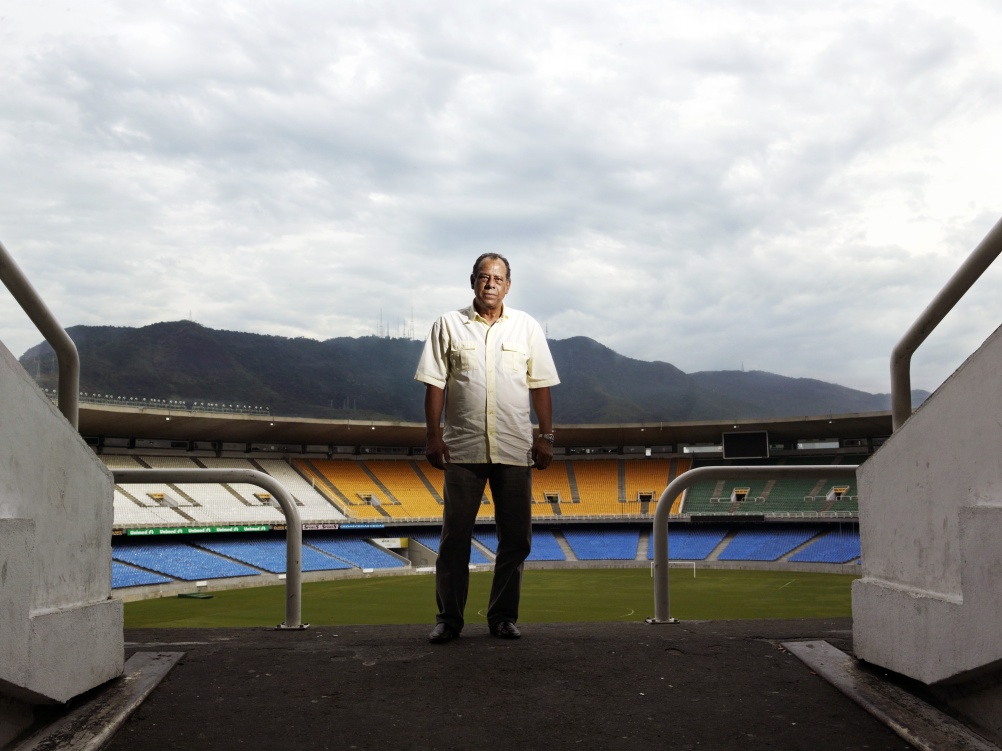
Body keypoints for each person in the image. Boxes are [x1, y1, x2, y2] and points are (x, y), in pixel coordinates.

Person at [414, 253, 559, 643]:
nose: (490, 283)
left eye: (498, 278)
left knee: (517, 539)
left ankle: (502, 617)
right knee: (454, 538)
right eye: (483, 277)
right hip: (463, 449)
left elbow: (541, 386)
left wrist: (545, 437)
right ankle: (449, 620)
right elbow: (435, 384)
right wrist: (432, 435)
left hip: (514, 449)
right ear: (473, 282)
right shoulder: (447, 325)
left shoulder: (526, 327)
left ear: (508, 285)